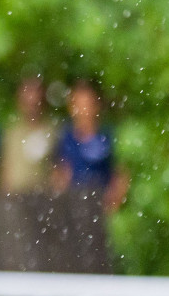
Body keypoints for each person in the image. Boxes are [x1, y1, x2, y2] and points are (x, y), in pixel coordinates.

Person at [52, 79, 128, 211]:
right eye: (79, 105)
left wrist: (113, 203)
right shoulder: (65, 138)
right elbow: (58, 174)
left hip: (102, 207)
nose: (84, 111)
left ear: (97, 105)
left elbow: (121, 174)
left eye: (87, 105)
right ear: (71, 107)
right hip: (73, 207)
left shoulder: (108, 136)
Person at [0, 76, 55, 194]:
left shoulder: (52, 131)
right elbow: (5, 168)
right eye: (28, 100)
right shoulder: (12, 132)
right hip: (15, 196)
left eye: (35, 101)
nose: (32, 103)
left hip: (43, 196)